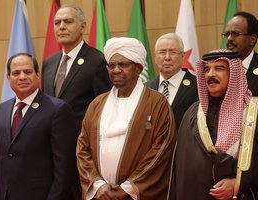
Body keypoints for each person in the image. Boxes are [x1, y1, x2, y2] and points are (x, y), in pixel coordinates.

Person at [169, 49, 258, 199]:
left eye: (219, 68)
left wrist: (238, 183)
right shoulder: (193, 113)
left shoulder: (257, 110)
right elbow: (182, 167)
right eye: (206, 69)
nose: (210, 74)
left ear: (235, 73)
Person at [77, 37, 176, 200]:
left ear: (138, 68)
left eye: (122, 65)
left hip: (135, 195)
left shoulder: (157, 103)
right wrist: (98, 186)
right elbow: (83, 148)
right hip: (100, 195)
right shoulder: (96, 104)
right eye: (111, 65)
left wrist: (127, 189)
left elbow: (161, 151)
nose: (115, 70)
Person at [0, 53, 78, 200]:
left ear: (37, 75)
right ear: (8, 78)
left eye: (27, 72)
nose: (22, 77)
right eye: (16, 73)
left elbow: (65, 167)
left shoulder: (57, 109)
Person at [42, 5, 112, 133]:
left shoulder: (97, 60)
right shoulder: (48, 63)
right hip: (51, 141)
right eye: (57, 23)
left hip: (81, 142)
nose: (61, 26)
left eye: (68, 21)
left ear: (83, 26)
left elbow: (105, 108)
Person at [224, 11, 258, 117]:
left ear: (252, 39)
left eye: (235, 34)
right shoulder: (220, 70)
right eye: (227, 34)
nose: (229, 38)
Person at [145, 33, 198, 130]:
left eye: (173, 52)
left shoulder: (198, 86)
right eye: (162, 52)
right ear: (155, 58)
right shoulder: (145, 88)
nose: (167, 57)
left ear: (183, 57)